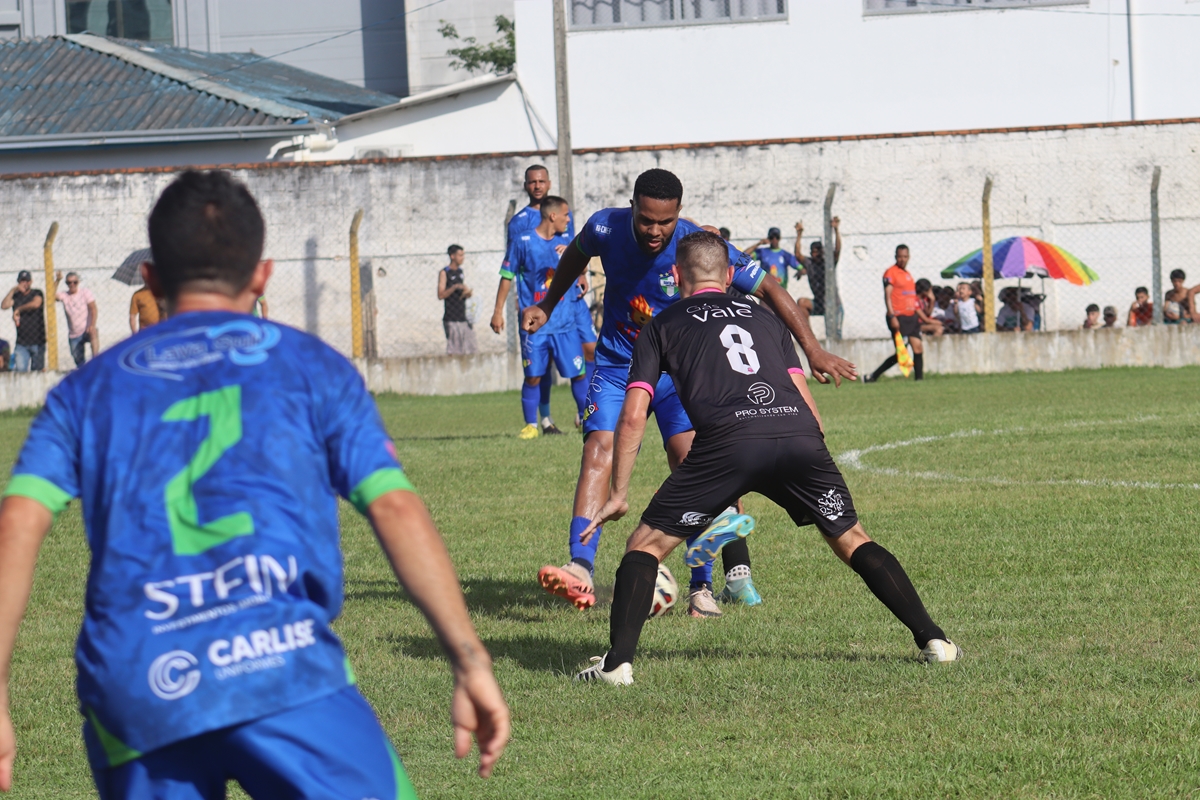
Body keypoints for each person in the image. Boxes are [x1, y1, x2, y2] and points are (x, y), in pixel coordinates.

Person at [0, 170, 509, 796]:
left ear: (152, 281)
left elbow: (18, 523)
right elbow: (396, 506)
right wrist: (469, 658)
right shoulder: (313, 366)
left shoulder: (84, 391)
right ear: (262, 277)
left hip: (140, 683)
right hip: (284, 670)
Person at [572, 231, 959, 685]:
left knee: (644, 546)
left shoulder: (662, 324)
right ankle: (936, 640)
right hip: (797, 435)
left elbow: (634, 415)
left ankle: (617, 665)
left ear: (675, 276)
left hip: (726, 444)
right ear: (732, 275)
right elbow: (803, 394)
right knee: (852, 538)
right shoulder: (767, 318)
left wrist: (619, 493)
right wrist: (814, 458)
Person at [523, 168, 857, 615]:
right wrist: (546, 304)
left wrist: (812, 349)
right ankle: (580, 567)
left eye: (665, 221)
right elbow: (574, 259)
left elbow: (771, 287)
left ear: (679, 214)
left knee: (691, 462)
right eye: (646, 220)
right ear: (633, 208)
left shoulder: (696, 246)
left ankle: (701, 587)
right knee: (599, 447)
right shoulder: (604, 226)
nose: (655, 231)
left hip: (682, 373)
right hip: (620, 364)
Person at [492, 165, 589, 434]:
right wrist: (499, 309)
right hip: (535, 317)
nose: (537, 185)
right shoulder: (521, 232)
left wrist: (579, 269)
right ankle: (535, 423)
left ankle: (586, 418)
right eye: (532, 181)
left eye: (541, 181)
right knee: (535, 373)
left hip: (566, 314)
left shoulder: (566, 234)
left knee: (581, 366)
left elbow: (581, 258)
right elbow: (508, 272)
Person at [864, 245, 923, 382]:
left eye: (905, 256)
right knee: (901, 354)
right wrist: (892, 315)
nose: (902, 259)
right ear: (896, 256)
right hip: (898, 317)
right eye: (900, 256)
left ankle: (919, 380)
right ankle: (873, 376)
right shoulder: (891, 272)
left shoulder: (908, 274)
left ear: (909, 257)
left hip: (911, 316)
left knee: (918, 347)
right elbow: (888, 295)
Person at [795, 217, 841, 318]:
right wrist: (799, 234)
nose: (818, 254)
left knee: (836, 333)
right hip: (819, 304)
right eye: (815, 252)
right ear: (811, 253)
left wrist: (836, 230)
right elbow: (798, 255)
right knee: (802, 302)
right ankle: (809, 333)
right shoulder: (810, 264)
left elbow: (837, 251)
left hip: (834, 305)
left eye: (819, 251)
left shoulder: (828, 264)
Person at [1, 271, 46, 372]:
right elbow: (4, 305)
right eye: (22, 281)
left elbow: (36, 304)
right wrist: (13, 289)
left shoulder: (37, 293)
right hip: (22, 343)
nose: (25, 283)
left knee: (37, 373)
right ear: (18, 282)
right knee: (20, 372)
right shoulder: (16, 296)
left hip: (38, 342)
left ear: (31, 282)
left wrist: (19, 309)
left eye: (27, 281)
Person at [54, 271, 98, 367]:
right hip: (74, 334)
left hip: (86, 329)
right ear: (66, 284)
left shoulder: (85, 292)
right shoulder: (65, 295)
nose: (72, 284)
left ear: (78, 282)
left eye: (75, 282)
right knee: (79, 363)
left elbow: (93, 308)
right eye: (69, 282)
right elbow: (51, 296)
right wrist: (57, 280)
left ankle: (96, 361)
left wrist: (92, 325)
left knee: (94, 332)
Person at [439, 244, 478, 355]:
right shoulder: (444, 272)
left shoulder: (460, 272)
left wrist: (466, 293)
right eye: (460, 255)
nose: (462, 258)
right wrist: (454, 287)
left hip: (463, 317)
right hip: (451, 318)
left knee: (471, 348)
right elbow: (441, 295)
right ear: (452, 256)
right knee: (454, 350)